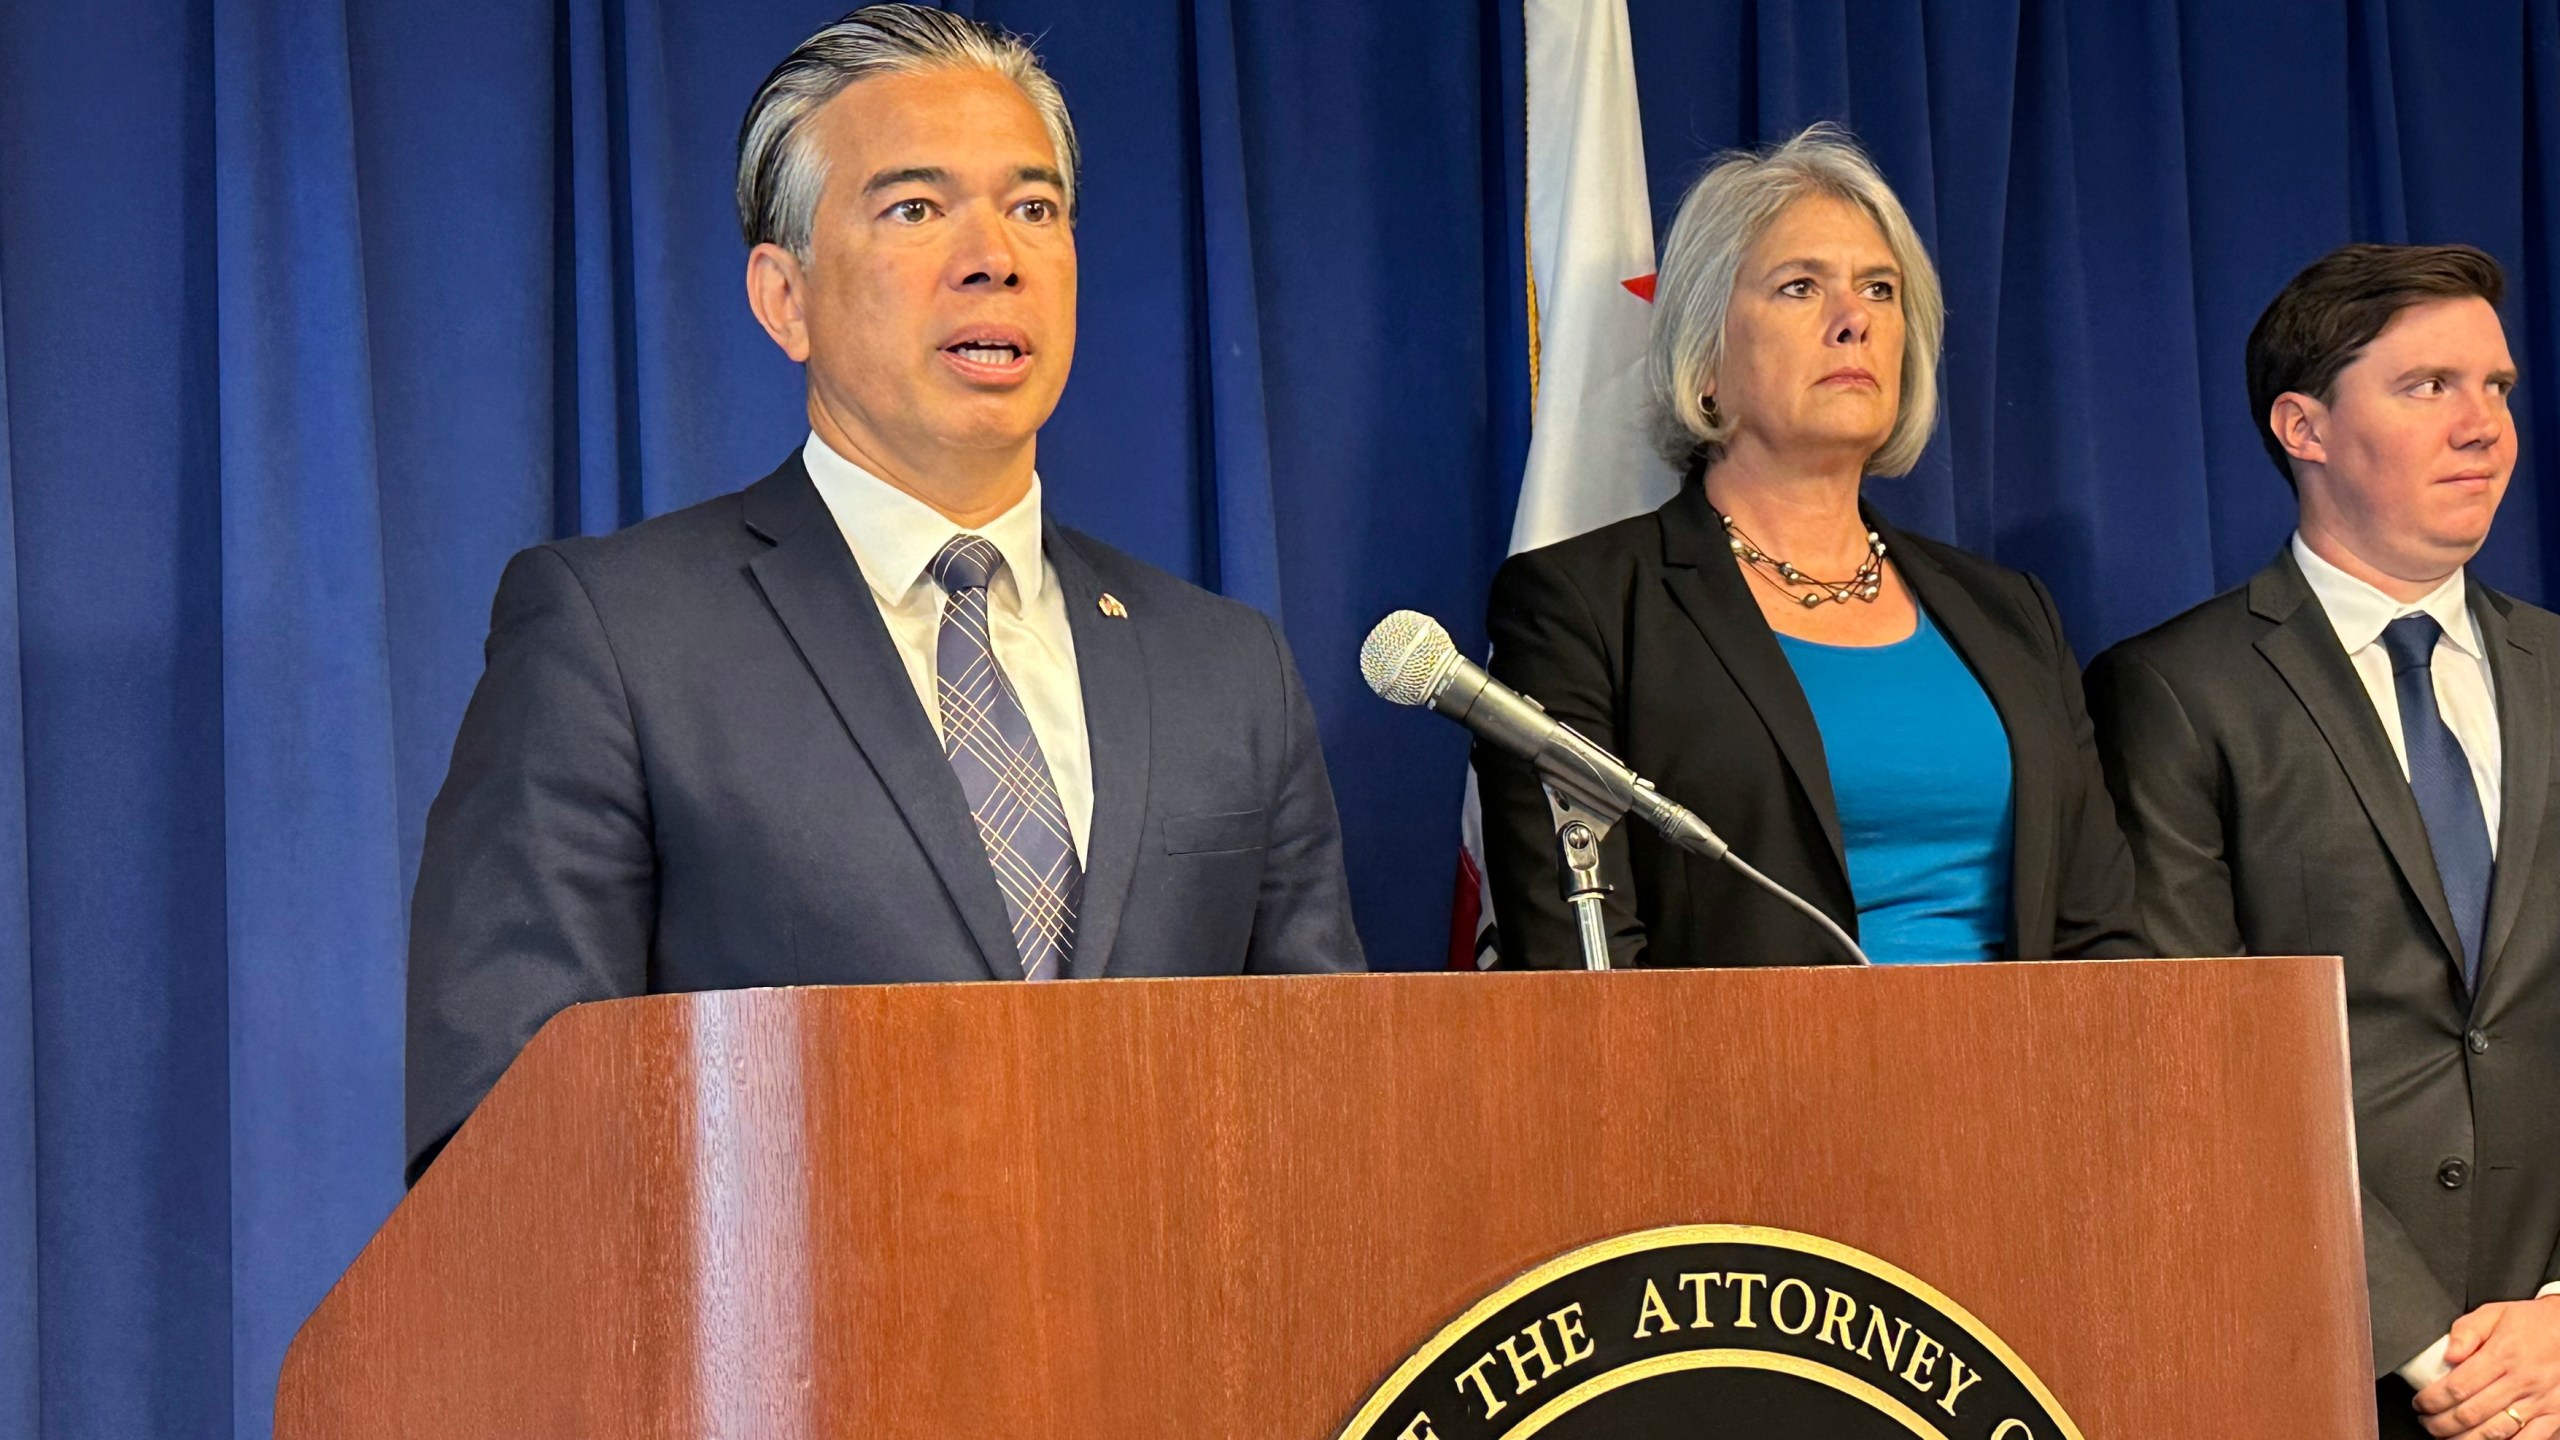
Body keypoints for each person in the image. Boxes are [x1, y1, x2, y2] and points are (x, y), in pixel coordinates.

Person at [405, 5, 1363, 1182]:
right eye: (916, 208)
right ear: (783, 298)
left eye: (1032, 208)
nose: (992, 256)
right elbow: (506, 1135)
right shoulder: (617, 635)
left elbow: (1331, 1107)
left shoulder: (1226, 668)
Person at [2087, 243, 2560, 1440]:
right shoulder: (2174, 691)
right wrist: (2427, 1347)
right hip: (2319, 1366)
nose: (2482, 428)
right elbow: (2191, 1056)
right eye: (2427, 388)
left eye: (2495, 389)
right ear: (2303, 425)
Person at [1476, 124, 2144, 971]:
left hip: (2031, 1088)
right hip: (1749, 1095)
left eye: (1879, 289)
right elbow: (1582, 961)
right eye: (1800, 287)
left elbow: (2103, 937)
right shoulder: (1585, 605)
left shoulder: (2011, 611)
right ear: (1705, 356)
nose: (1852, 321)